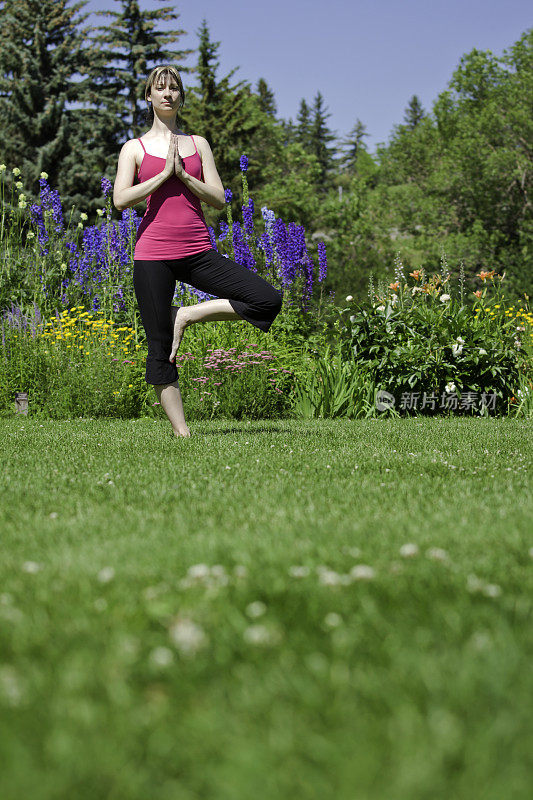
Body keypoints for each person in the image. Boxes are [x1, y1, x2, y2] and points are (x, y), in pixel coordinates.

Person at [113, 65, 283, 438]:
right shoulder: (134, 148)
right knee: (159, 347)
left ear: (181, 96)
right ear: (148, 97)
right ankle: (182, 433)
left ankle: (186, 315)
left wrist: (186, 176)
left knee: (266, 299)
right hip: (152, 253)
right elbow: (120, 198)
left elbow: (220, 198)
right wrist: (163, 177)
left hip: (197, 250)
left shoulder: (198, 143)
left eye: (174, 88)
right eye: (160, 89)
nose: (168, 94)